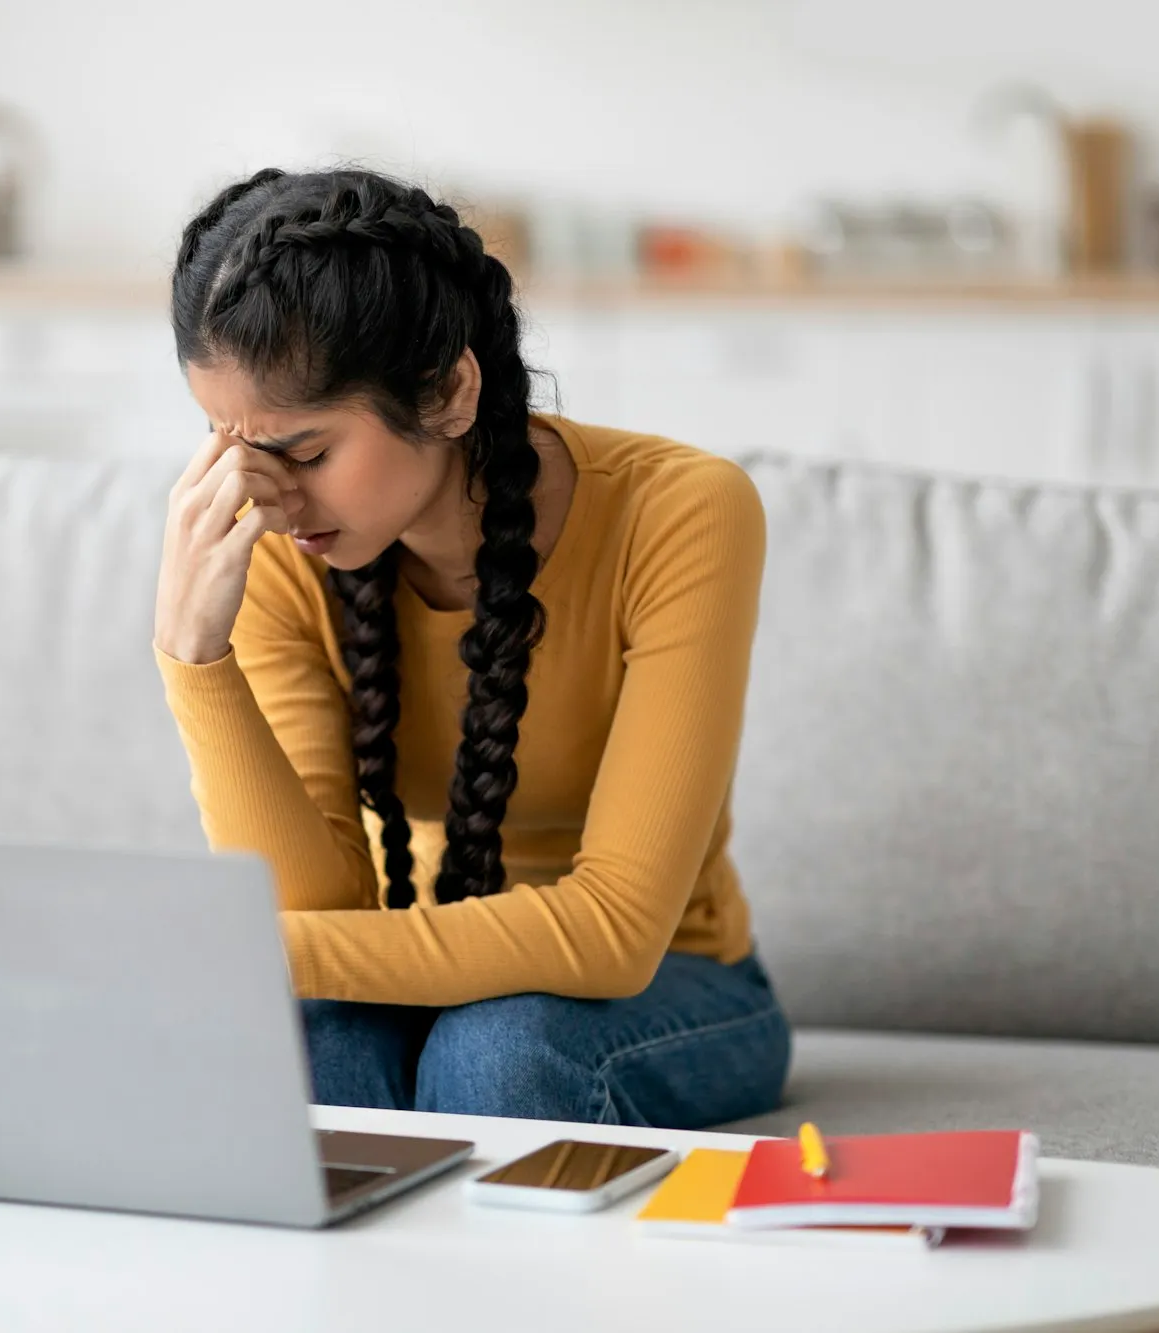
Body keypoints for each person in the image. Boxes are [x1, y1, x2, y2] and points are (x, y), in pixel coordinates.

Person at [152, 167, 789, 1128]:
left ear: (449, 392)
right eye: (226, 443)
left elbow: (615, 931)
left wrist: (260, 955)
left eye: (307, 452)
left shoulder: (680, 512)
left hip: (670, 985)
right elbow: (316, 899)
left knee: (499, 1048)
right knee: (308, 1040)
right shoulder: (277, 548)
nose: (265, 494)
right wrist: (192, 655)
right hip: (408, 965)